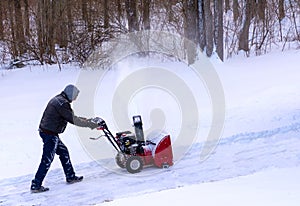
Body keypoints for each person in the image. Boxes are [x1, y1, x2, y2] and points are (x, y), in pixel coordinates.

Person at [30, 84, 98, 193]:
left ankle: (70, 176)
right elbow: (73, 119)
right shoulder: (62, 104)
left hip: (48, 132)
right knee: (47, 159)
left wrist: (86, 120)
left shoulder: (58, 99)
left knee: (64, 152)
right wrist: (90, 124)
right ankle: (36, 184)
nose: (75, 99)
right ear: (70, 94)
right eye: (75, 96)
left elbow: (70, 116)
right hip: (49, 134)